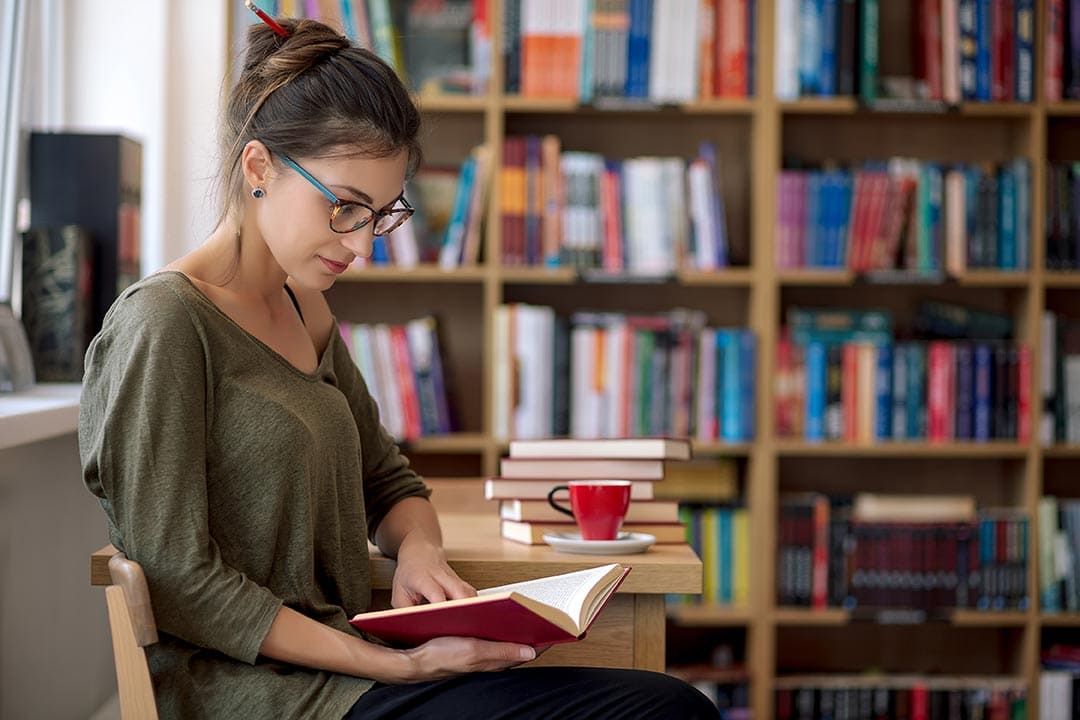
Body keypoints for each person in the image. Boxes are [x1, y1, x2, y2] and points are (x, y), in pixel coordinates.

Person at [78, 13, 719, 720]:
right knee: (660, 713)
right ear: (258, 167)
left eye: (380, 216)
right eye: (345, 209)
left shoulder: (302, 309)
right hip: (256, 697)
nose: (363, 245)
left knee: (662, 702)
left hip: (353, 675)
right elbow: (178, 578)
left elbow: (388, 484)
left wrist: (418, 554)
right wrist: (396, 663)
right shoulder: (163, 323)